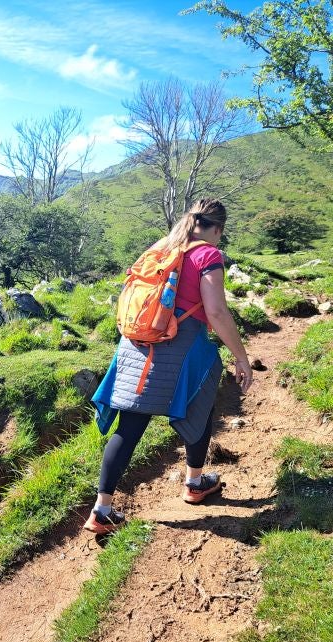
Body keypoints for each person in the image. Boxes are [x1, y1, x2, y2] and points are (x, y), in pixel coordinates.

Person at [86, 198, 253, 534]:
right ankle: (194, 483)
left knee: (129, 426)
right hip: (181, 346)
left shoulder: (161, 248)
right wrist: (241, 356)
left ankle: (102, 510)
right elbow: (217, 312)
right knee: (199, 407)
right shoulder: (208, 254)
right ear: (217, 228)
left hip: (137, 345)